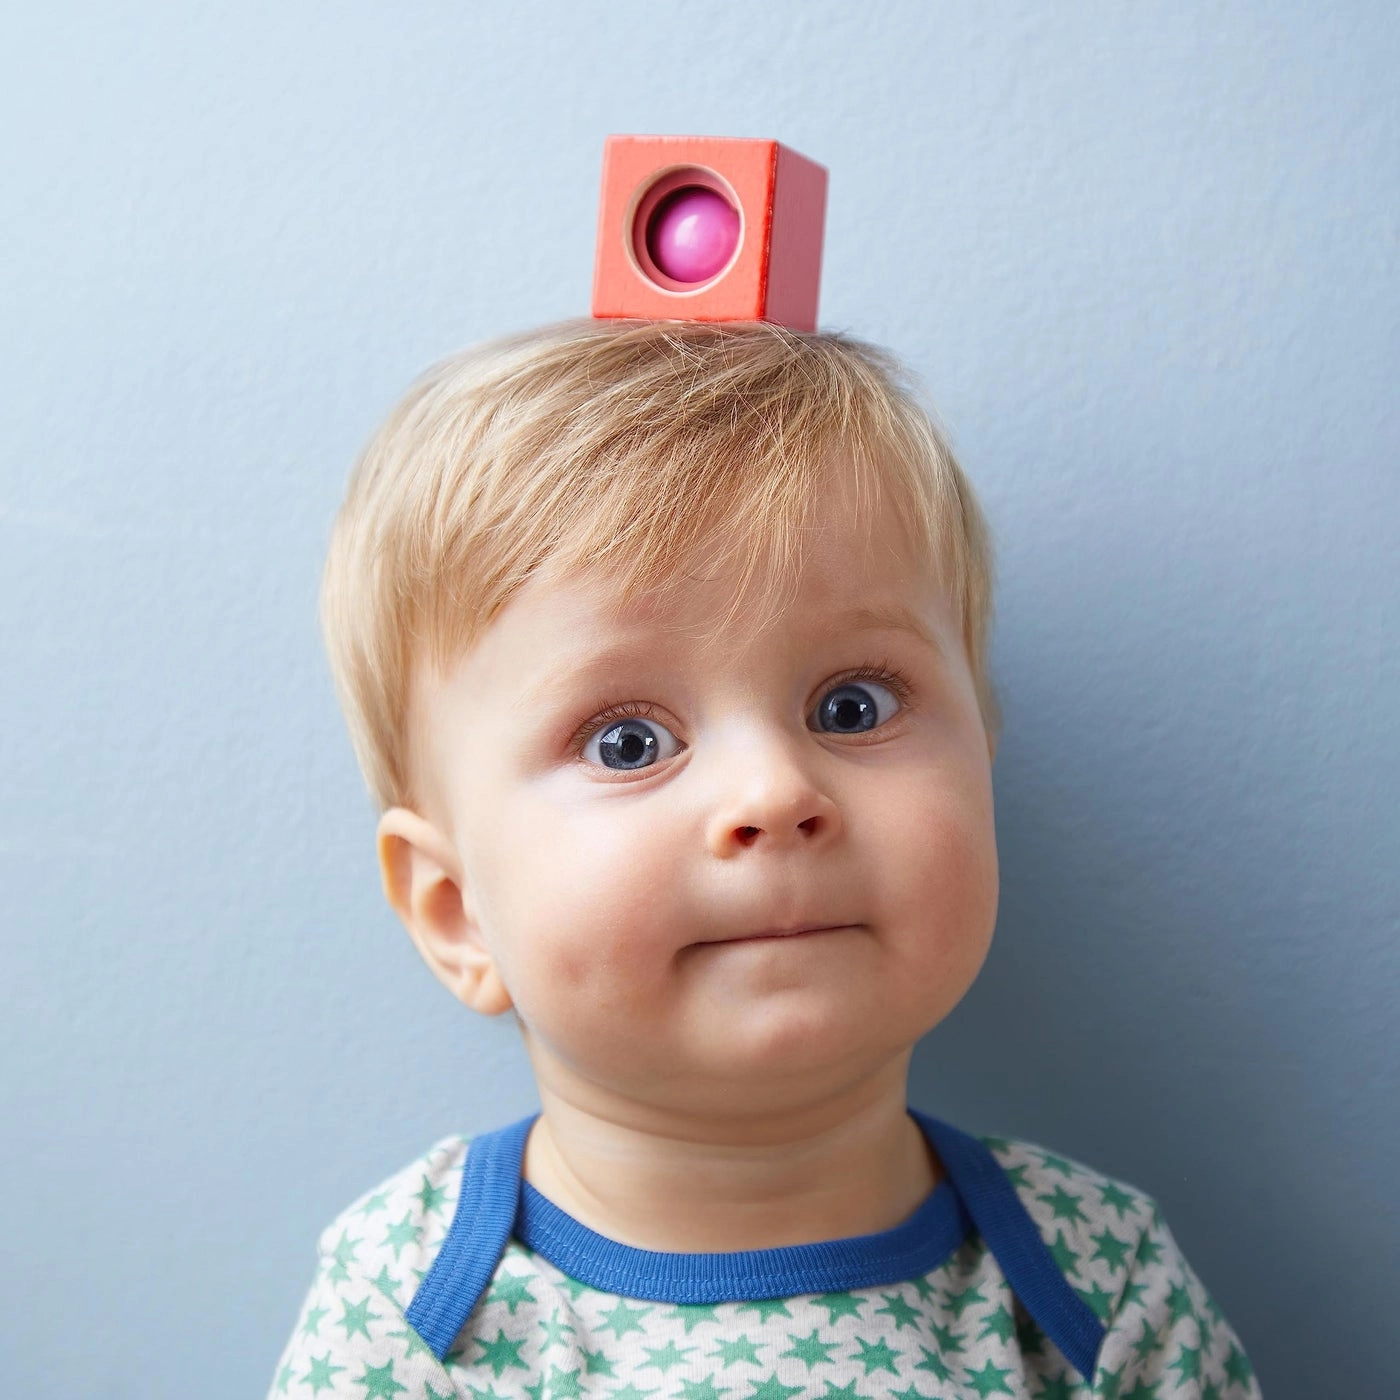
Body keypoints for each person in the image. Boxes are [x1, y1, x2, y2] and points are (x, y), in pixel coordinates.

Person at [267, 316, 1262, 1398]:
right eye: (628, 742)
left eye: (850, 704)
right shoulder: (415, 1311)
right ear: (457, 912)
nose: (774, 792)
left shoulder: (1088, 1284)